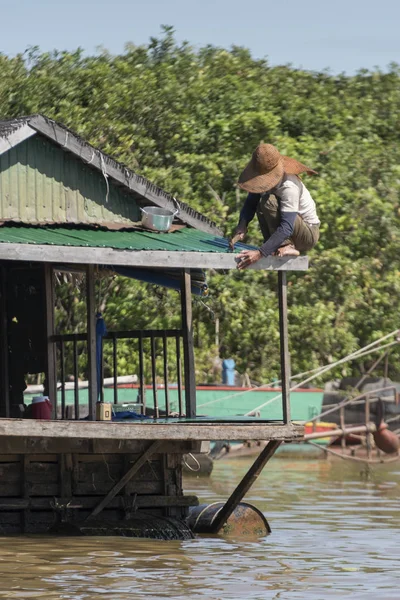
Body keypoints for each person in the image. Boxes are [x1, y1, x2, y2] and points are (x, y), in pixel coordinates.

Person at [230, 143, 320, 270]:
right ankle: (277, 245)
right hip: (289, 228)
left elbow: (287, 227)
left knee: (268, 202)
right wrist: (242, 225)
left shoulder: (289, 186)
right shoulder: (261, 178)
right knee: (261, 204)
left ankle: (287, 246)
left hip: (307, 234)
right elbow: (251, 202)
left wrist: (260, 253)